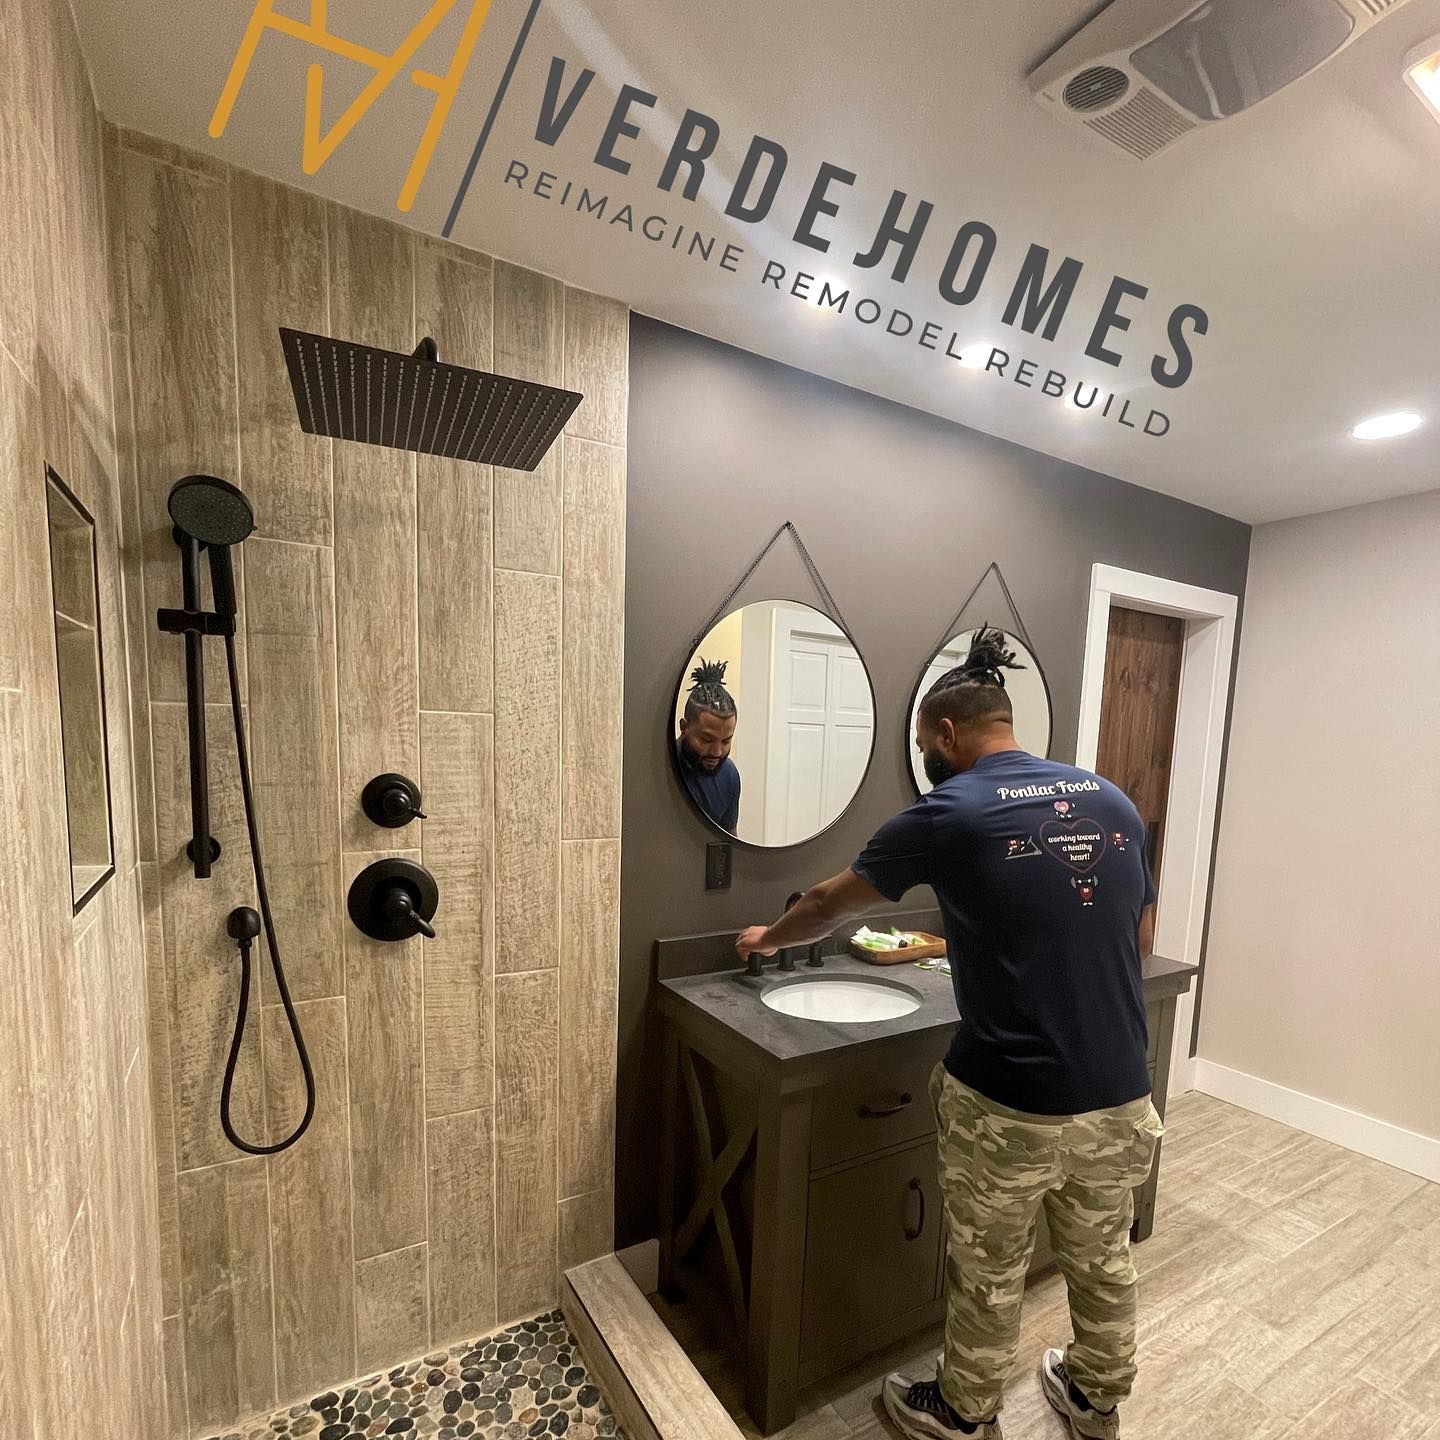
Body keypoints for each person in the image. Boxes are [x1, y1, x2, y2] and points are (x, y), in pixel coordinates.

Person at [735, 628, 1162, 1440]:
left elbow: (828, 905)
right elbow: (1138, 939)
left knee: (989, 1267)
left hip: (1009, 1100)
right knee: (1104, 1255)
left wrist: (766, 940)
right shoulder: (1110, 801)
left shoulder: (950, 811)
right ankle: (1095, 1397)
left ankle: (965, 1411)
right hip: (1119, 1089)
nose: (928, 755)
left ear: (945, 732)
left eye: (926, 743)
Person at [676, 658, 742, 833]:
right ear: (684, 727)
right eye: (706, 740)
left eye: (726, 741)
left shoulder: (729, 775)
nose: (717, 752)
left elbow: (728, 841)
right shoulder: (661, 767)